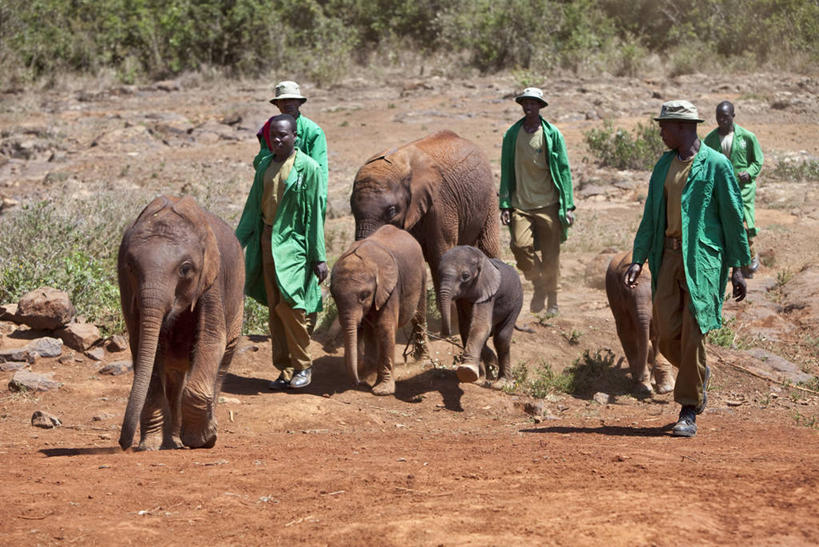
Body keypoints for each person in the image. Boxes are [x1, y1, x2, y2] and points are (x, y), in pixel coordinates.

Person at [625, 100, 750, 438]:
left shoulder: (717, 165)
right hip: (667, 256)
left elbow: (733, 217)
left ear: (683, 127)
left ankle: (688, 410)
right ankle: (698, 373)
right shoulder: (663, 166)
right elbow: (651, 216)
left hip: (704, 260)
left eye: (665, 126)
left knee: (695, 330)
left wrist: (738, 267)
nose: (661, 131)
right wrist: (638, 259)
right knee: (665, 333)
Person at [236, 114, 328, 390]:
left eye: (283, 135)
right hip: (266, 240)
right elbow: (252, 207)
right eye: (273, 135)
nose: (277, 140)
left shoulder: (308, 168)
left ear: (294, 137)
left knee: (291, 303)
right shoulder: (264, 164)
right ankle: (285, 369)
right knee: (275, 309)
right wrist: (235, 243)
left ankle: (304, 365)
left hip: (294, 242)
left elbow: (315, 214)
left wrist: (319, 256)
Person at [499, 87, 575, 315]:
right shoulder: (512, 135)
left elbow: (564, 171)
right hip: (521, 204)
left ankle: (552, 298)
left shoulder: (552, 135)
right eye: (525, 103)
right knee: (519, 246)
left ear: (540, 106)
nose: (529, 107)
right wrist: (504, 204)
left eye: (533, 103)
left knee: (552, 255)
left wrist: (568, 205)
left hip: (549, 204)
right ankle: (538, 283)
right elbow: (506, 170)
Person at [703, 101, 764, 277]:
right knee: (721, 225)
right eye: (718, 117)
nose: (722, 120)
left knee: (743, 224)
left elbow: (758, 160)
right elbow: (705, 162)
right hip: (720, 190)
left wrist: (750, 173)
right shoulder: (710, 139)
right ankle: (729, 263)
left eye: (726, 117)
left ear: (733, 116)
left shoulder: (747, 137)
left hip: (743, 189)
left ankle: (750, 259)